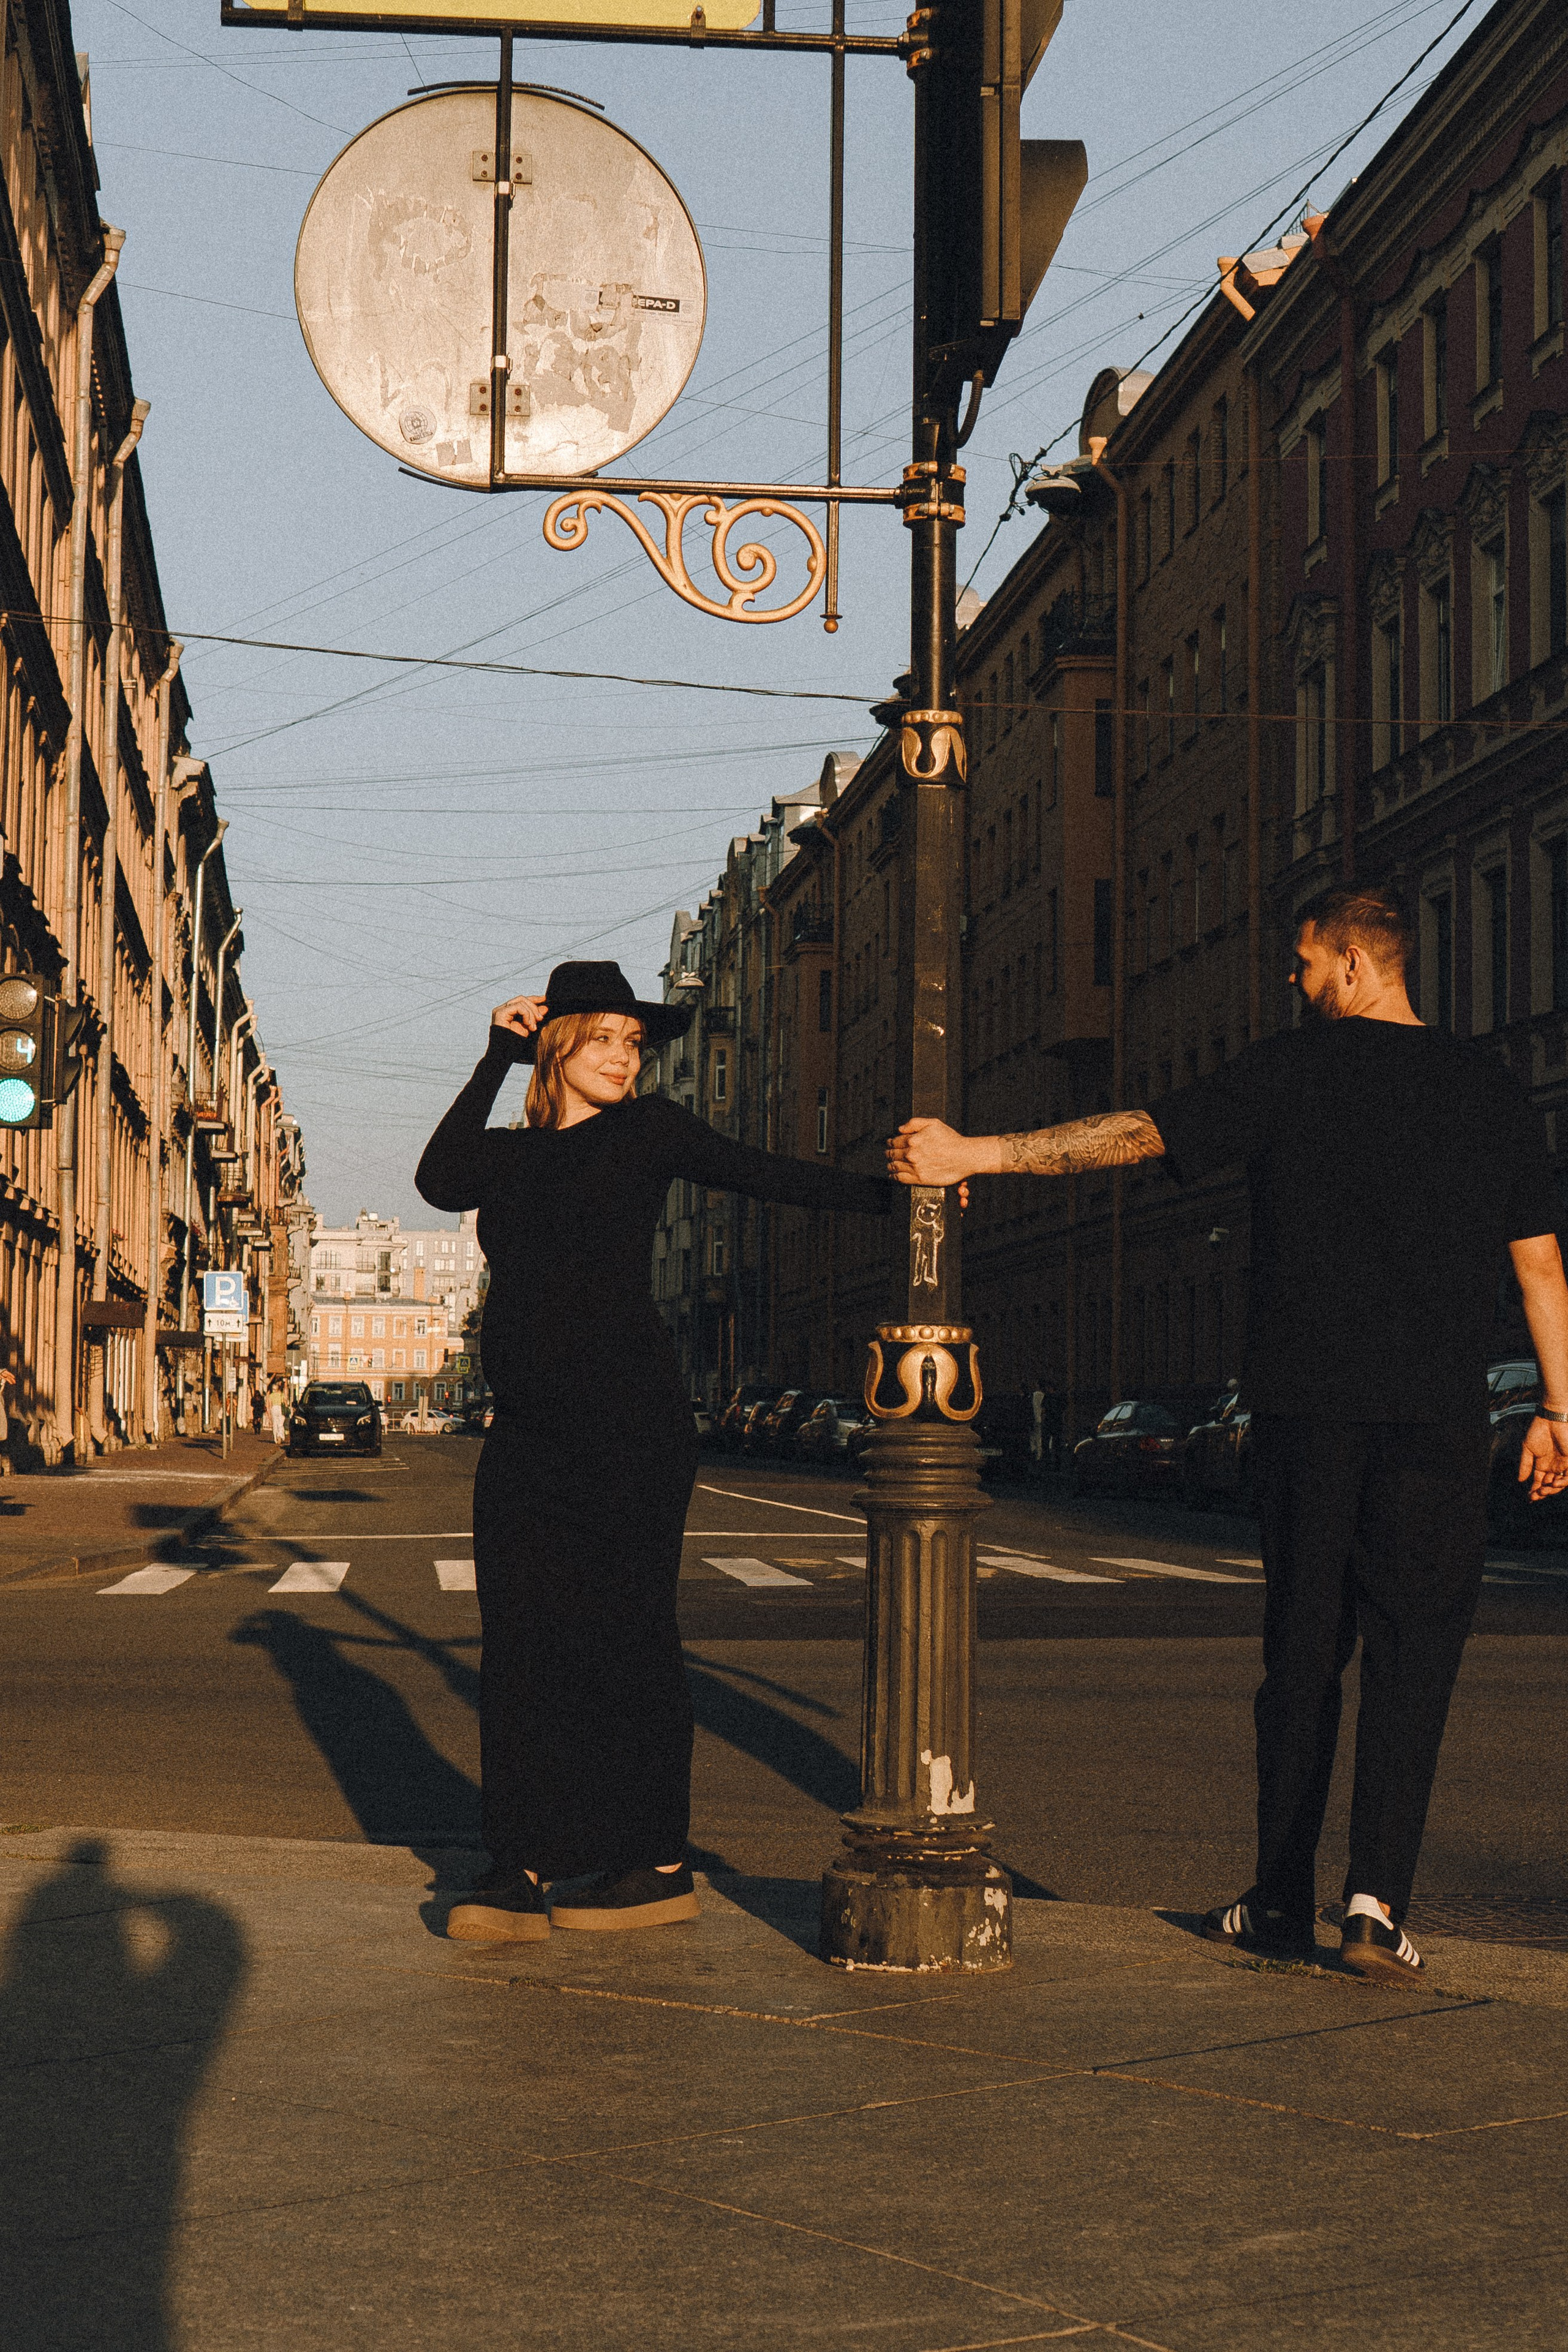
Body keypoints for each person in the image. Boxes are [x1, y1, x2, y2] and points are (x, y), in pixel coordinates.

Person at [888, 884, 1568, 1985]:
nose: (1294, 981)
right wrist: (1557, 1411)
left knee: (1301, 1655)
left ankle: (1279, 1900)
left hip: (1306, 1409)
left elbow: (1136, 1135)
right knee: (1413, 1660)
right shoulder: (1488, 1086)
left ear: (1354, 963)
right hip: (1438, 1419)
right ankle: (1376, 1907)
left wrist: (979, 1155)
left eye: (1304, 963)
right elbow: (1540, 1268)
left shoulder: (1288, 1070)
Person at [415, 959, 893, 1945]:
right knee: (521, 1646)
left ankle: (654, 1865)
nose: (624, 1058)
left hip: (629, 1428)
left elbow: (768, 1174)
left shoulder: (651, 1132)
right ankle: (519, 1866)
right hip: (527, 1435)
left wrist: (902, 1198)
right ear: (557, 1047)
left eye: (633, 1044)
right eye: (603, 1039)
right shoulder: (506, 1156)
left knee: (626, 1641)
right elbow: (438, 1178)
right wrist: (495, 1055)